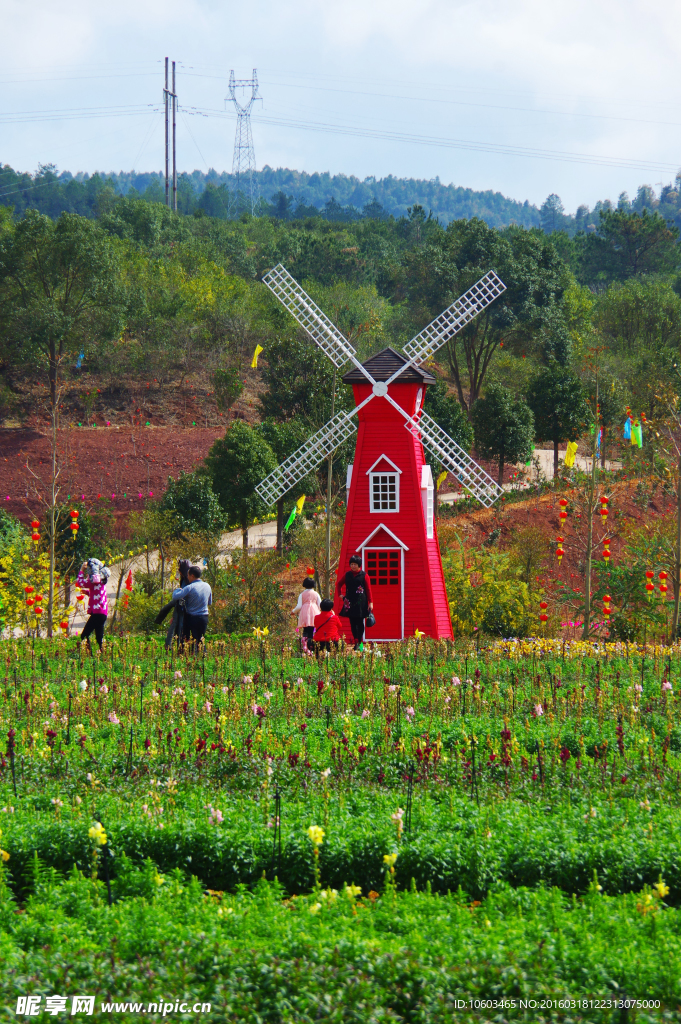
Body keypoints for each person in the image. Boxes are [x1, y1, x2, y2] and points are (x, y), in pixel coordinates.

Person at [336, 554, 373, 651]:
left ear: (359, 565)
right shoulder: (347, 575)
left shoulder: (364, 575)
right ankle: (356, 642)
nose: (353, 566)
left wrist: (371, 602)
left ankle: (360, 644)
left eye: (355, 564)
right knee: (352, 623)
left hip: (361, 602)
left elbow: (368, 589)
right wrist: (340, 594)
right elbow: (339, 584)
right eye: (351, 564)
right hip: (350, 602)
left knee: (360, 623)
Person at [172, 565, 212, 649]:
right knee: (200, 640)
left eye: (188, 575)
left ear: (192, 575)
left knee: (190, 641)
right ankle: (202, 658)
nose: (187, 577)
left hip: (192, 618)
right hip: (204, 617)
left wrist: (178, 590)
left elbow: (175, 596)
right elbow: (209, 602)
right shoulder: (207, 586)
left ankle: (191, 657)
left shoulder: (190, 587)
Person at [156, 558, 191, 649]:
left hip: (181, 606)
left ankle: (170, 645)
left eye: (179, 569)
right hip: (181, 605)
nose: (178, 571)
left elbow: (182, 594)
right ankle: (173, 645)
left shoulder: (186, 581)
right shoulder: (187, 579)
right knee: (177, 625)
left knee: (176, 625)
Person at [76, 558, 110, 652]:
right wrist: (87, 593)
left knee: (84, 635)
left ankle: (88, 655)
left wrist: (81, 570)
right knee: (99, 638)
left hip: (97, 613)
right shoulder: (102, 581)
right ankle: (102, 655)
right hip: (103, 613)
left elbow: (80, 583)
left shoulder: (93, 581)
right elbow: (97, 595)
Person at [291, 577, 321, 654]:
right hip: (315, 612)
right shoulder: (316, 594)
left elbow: (299, 606)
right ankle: (312, 646)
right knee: (312, 629)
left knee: (306, 629)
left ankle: (305, 647)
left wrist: (293, 611)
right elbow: (320, 604)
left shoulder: (302, 594)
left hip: (305, 612)